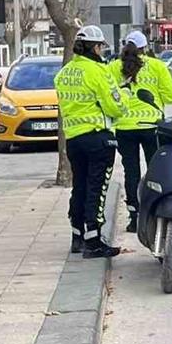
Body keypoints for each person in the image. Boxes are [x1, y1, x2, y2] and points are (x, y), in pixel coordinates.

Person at [55, 25, 126, 259]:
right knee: (97, 188)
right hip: (98, 138)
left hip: (73, 140)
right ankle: (93, 241)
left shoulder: (64, 73)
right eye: (100, 47)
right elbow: (115, 106)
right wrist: (123, 101)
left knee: (80, 187)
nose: (102, 51)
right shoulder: (99, 71)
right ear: (95, 47)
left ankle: (77, 237)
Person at [109, 30, 172, 233]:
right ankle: (155, 213)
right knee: (155, 171)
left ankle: (134, 217)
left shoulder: (113, 67)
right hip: (152, 127)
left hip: (124, 128)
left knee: (131, 172)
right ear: (145, 47)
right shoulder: (157, 66)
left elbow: (108, 94)